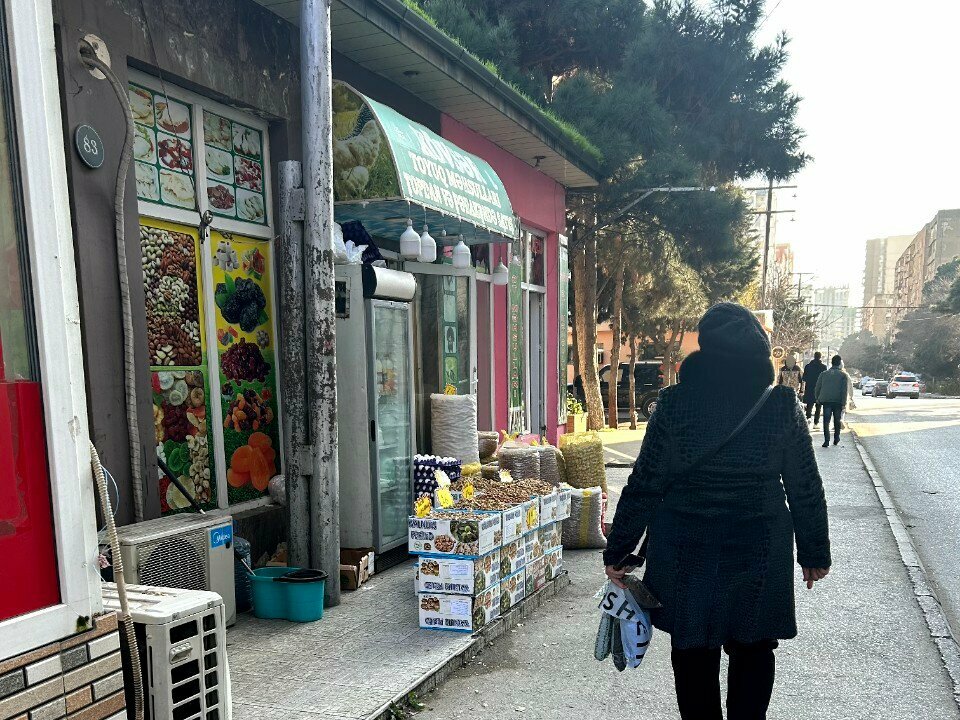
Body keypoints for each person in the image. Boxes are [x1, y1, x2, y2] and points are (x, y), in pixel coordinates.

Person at [604, 302, 831, 720]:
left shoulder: (674, 403)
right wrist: (814, 553)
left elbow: (646, 482)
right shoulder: (780, 403)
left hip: (686, 546)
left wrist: (619, 550)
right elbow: (805, 486)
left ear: (704, 348)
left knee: (692, 647)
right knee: (754, 647)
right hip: (759, 545)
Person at [814, 354, 850, 448]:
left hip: (826, 401)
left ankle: (826, 440)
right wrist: (844, 403)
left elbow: (817, 387)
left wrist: (817, 398)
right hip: (838, 401)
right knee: (837, 420)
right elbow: (844, 391)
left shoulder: (823, 374)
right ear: (839, 363)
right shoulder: (843, 375)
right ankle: (836, 438)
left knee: (826, 421)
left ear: (831, 362)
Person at [802, 352, 828, 426]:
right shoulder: (823, 367)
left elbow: (804, 378)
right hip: (819, 389)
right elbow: (825, 379)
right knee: (818, 407)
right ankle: (816, 423)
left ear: (814, 356)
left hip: (809, 388)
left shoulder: (808, 366)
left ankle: (808, 420)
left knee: (809, 406)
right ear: (820, 357)